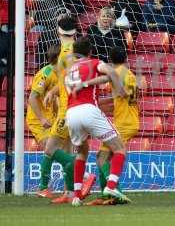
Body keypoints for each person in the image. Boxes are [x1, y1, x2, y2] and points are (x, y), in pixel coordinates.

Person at [64, 36, 131, 206]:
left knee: (81, 153)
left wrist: (85, 83)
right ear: (90, 51)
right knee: (120, 149)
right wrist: (120, 89)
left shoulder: (69, 70)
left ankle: (77, 196)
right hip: (89, 109)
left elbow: (73, 89)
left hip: (71, 113)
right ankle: (110, 186)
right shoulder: (94, 63)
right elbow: (110, 72)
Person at [43, 15, 96, 204]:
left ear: (58, 31)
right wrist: (52, 91)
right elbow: (68, 79)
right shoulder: (75, 50)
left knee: (50, 149)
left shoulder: (66, 53)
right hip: (73, 105)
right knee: (68, 149)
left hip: (68, 109)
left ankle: (85, 177)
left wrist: (55, 92)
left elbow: (70, 80)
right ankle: (69, 192)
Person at [86, 46, 139, 206]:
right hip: (129, 120)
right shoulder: (129, 74)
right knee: (103, 157)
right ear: (126, 59)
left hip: (123, 123)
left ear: (110, 60)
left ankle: (113, 193)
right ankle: (108, 196)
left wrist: (86, 84)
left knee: (102, 158)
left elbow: (111, 85)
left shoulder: (117, 73)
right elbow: (120, 98)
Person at [26, 45, 60, 198]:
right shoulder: (45, 73)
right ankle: (84, 176)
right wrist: (41, 118)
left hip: (52, 118)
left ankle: (43, 187)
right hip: (38, 120)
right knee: (49, 147)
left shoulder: (61, 73)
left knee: (52, 151)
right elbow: (32, 97)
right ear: (58, 58)